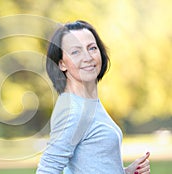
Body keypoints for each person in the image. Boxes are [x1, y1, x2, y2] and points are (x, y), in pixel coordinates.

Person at [36, 20, 150, 174]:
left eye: (92, 48)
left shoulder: (88, 104)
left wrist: (126, 172)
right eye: (76, 52)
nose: (88, 57)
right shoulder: (73, 111)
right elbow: (47, 169)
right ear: (62, 63)